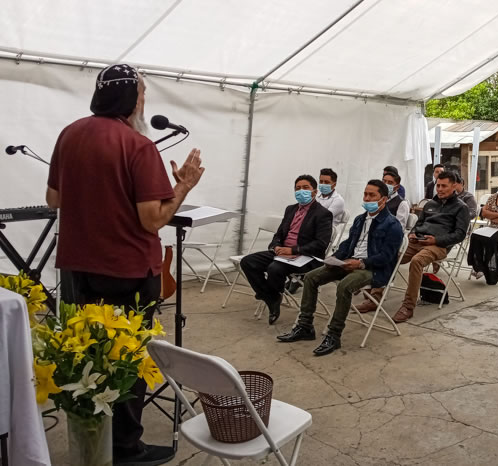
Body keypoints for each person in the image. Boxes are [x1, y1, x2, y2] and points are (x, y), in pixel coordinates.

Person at [47, 64, 204, 465]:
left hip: (78, 268)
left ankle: (93, 439)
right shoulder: (138, 146)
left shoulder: (69, 134)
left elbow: (54, 199)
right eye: (143, 94)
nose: (144, 102)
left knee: (90, 354)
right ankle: (126, 449)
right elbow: (153, 219)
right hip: (128, 272)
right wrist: (183, 186)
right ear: (132, 99)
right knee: (126, 358)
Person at [277, 180, 404, 355]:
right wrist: (335, 258)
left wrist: (361, 263)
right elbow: (347, 245)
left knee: (345, 286)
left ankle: (334, 335)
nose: (367, 198)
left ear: (383, 199)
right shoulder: (360, 219)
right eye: (365, 194)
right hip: (349, 262)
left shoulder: (392, 225)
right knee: (311, 277)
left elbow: (386, 257)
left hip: (373, 269)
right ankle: (305, 326)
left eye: (372, 195)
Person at [240, 175, 332, 325]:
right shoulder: (291, 209)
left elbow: (321, 244)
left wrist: (293, 250)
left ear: (315, 192)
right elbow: (279, 234)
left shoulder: (322, 214)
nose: (301, 191)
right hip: (282, 253)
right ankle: (271, 296)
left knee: (274, 268)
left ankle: (269, 295)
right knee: (248, 262)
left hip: (306, 257)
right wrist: (275, 246)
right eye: (297, 188)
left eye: (305, 188)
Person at [392, 171, 469, 323]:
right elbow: (418, 224)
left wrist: (436, 240)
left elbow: (460, 234)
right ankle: (375, 295)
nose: (439, 189)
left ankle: (408, 306)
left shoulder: (461, 207)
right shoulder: (430, 204)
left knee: (417, 261)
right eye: (438, 186)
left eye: (444, 186)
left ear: (454, 186)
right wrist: (412, 234)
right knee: (390, 255)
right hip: (418, 241)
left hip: (438, 245)